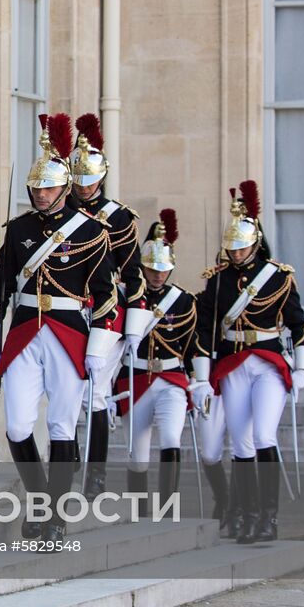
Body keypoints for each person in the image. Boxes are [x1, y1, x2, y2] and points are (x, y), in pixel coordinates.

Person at [0, 113, 119, 543]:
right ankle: (40, 500)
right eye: (36, 188)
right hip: (23, 333)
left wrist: (98, 349)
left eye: (49, 188)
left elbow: (108, 296)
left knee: (60, 426)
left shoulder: (93, 232)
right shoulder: (18, 229)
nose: (41, 195)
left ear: (65, 188)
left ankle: (55, 518)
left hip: (70, 333)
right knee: (18, 426)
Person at [195, 180, 304, 544]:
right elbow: (205, 334)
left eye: (242, 247)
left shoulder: (278, 277)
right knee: (241, 444)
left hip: (268, 362)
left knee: (263, 435)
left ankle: (269, 516)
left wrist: (302, 366)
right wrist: (201, 379)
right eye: (232, 248)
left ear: (255, 244)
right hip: (233, 363)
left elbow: (299, 324)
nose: (236, 254)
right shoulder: (217, 282)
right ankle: (244, 515)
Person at [69, 113, 150, 499]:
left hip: (105, 311)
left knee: (95, 394)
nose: (84, 189)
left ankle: (96, 474)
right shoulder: (60, 210)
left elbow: (133, 276)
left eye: (91, 181)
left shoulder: (118, 217)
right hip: (65, 310)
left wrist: (134, 328)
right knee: (66, 393)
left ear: (102, 177)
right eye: (79, 181)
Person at [115, 210, 210, 503]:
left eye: (163, 269)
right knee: (137, 455)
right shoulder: (124, 294)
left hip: (171, 378)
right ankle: (140, 511)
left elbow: (196, 344)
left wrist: (201, 381)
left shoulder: (183, 301)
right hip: (136, 377)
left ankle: (168, 507)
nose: (157, 275)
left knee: (171, 438)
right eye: (152, 269)